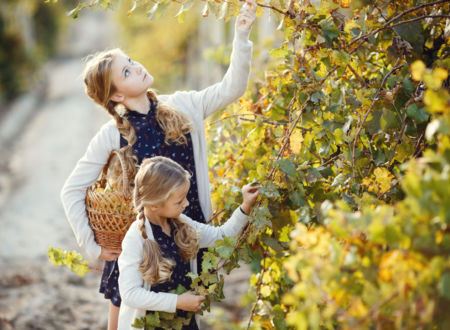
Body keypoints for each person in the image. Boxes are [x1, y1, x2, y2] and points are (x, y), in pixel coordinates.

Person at [60, 1, 257, 329]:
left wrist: (241, 36)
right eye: (126, 72)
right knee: (129, 318)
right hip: (146, 242)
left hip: (189, 235)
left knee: (180, 317)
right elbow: (72, 189)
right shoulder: (113, 135)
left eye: (131, 62)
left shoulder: (184, 106)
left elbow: (232, 88)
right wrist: (92, 247)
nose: (136, 68)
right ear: (117, 97)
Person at [117, 156, 259, 329]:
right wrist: (177, 302)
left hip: (183, 322)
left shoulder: (181, 223)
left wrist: (245, 206)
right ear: (154, 204)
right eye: (179, 201)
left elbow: (221, 235)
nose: (186, 203)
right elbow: (130, 294)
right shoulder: (136, 238)